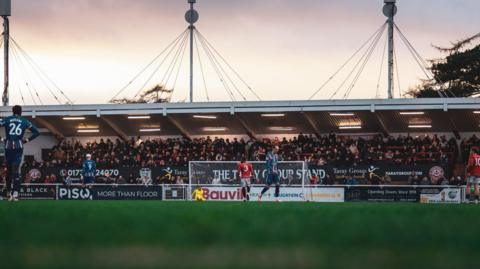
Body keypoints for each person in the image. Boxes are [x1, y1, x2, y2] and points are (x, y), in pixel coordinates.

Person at [0, 105, 39, 201]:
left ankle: (9, 193)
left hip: (8, 146)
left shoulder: (7, 119)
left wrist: (1, 139)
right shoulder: (24, 121)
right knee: (16, 170)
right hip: (18, 146)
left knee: (8, 171)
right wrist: (26, 140)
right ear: (21, 112)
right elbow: (37, 132)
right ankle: (15, 194)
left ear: (12, 111)